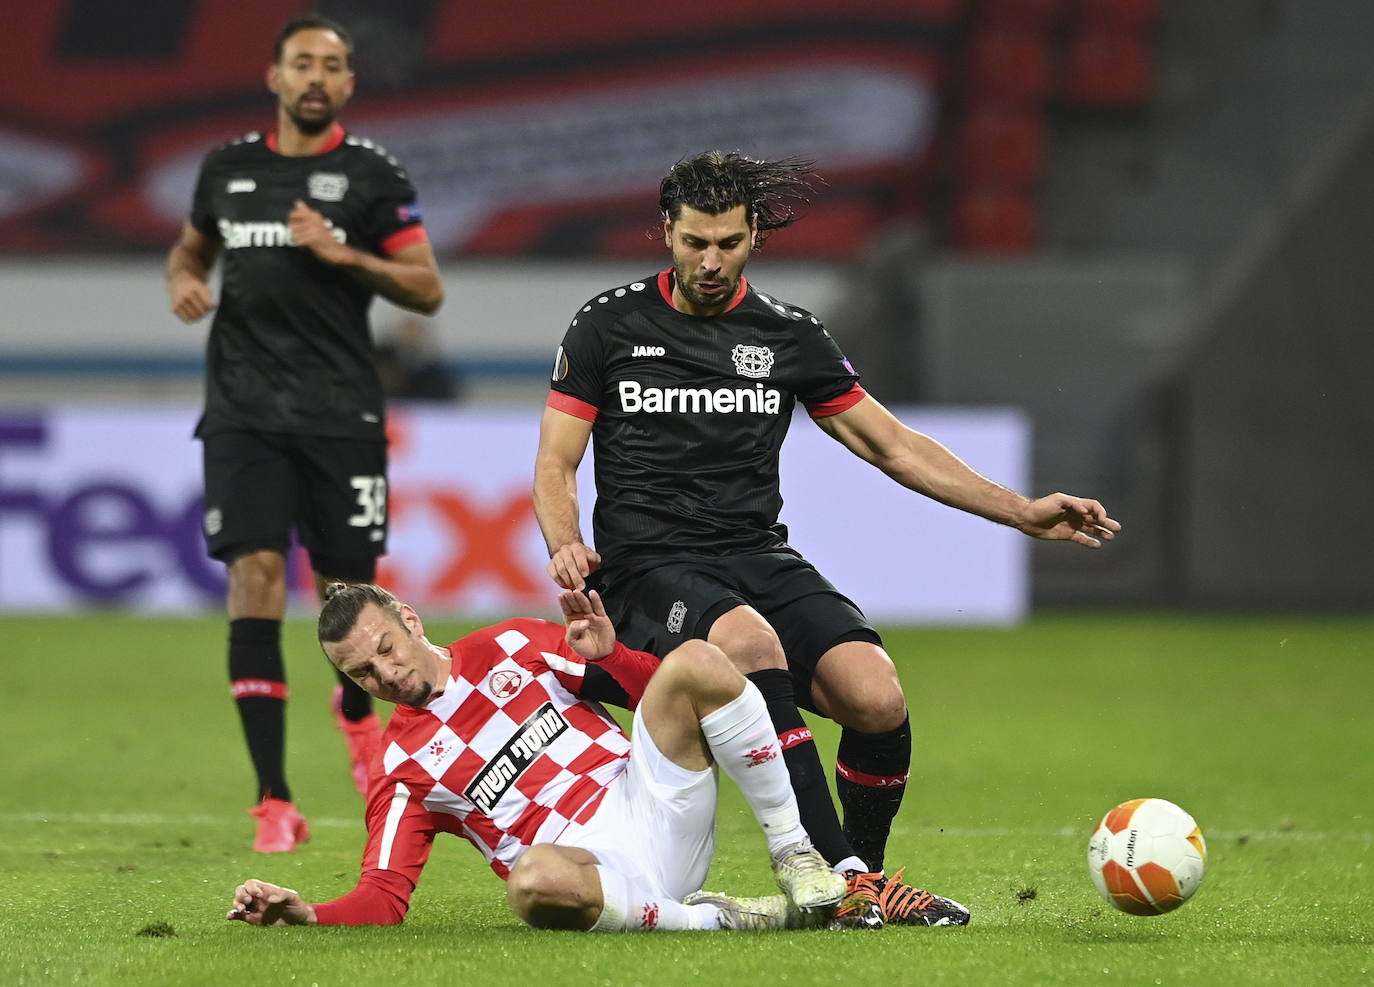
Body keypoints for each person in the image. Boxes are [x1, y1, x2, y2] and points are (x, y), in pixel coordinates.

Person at [533, 150, 1121, 928]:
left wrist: (1019, 510)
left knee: (875, 696)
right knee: (750, 641)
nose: (711, 261)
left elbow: (891, 444)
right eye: (695, 242)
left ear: (755, 240)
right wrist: (566, 542)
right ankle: (832, 871)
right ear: (666, 231)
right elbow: (555, 460)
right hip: (649, 569)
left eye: (729, 243)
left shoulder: (786, 334)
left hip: (755, 553)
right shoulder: (607, 324)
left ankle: (863, 886)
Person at [164, 13, 444, 852]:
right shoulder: (227, 168)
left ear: (349, 85)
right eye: (302, 64)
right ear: (276, 77)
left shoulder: (369, 175)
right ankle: (273, 800)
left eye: (332, 66)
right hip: (244, 413)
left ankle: (357, 713)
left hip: (341, 415)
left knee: (345, 597)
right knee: (253, 577)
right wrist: (184, 281)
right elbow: (189, 252)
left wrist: (344, 256)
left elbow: (426, 288)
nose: (316, 77)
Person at [226, 583, 847, 932]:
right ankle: (718, 921)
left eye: (386, 649)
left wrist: (610, 655)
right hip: (586, 876)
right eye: (361, 673)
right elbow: (384, 896)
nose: (383, 674)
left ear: (410, 621)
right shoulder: (401, 768)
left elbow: (659, 693)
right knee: (530, 882)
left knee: (699, 661)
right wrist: (307, 912)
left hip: (650, 800)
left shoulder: (514, 644)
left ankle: (794, 850)